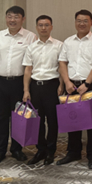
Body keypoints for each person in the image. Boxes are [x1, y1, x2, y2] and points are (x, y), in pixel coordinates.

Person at [0, 6, 37, 166]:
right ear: (6, 18)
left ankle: (16, 149)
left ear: (23, 19)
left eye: (16, 17)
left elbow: (33, 62)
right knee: (1, 118)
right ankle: (0, 151)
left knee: (19, 118)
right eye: (9, 16)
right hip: (0, 82)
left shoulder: (30, 37)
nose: (12, 20)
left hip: (19, 83)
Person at [57, 9, 92, 169]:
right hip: (71, 85)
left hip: (90, 85)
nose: (82, 23)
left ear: (91, 22)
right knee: (72, 119)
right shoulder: (68, 42)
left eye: (85, 21)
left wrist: (86, 84)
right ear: (75, 22)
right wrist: (66, 82)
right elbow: (62, 62)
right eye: (79, 20)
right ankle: (73, 152)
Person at [22, 15, 64, 166]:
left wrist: (61, 85)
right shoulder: (31, 47)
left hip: (52, 86)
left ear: (51, 27)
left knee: (53, 121)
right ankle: (40, 150)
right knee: (37, 121)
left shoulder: (59, 45)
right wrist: (26, 90)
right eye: (40, 25)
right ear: (36, 27)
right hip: (35, 87)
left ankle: (51, 151)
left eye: (46, 25)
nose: (43, 28)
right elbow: (28, 70)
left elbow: (62, 67)